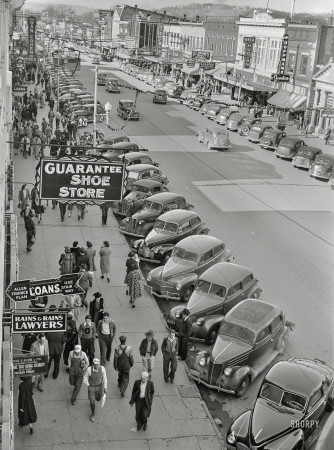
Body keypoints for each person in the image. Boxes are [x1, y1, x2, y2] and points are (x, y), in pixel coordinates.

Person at [83, 358, 108, 422]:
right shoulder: (89, 369)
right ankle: (93, 413)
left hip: (99, 386)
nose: (96, 366)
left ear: (99, 365)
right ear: (92, 364)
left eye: (97, 364)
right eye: (95, 364)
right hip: (91, 386)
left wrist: (105, 387)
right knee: (92, 401)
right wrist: (88, 384)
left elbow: (105, 378)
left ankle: (96, 398)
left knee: (98, 398)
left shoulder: (102, 369)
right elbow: (85, 377)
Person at [46, 310, 66, 379]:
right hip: (58, 349)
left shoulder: (49, 331)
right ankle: (55, 375)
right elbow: (63, 341)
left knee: (48, 362)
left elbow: (46, 340)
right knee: (56, 363)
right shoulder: (61, 332)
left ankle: (46, 373)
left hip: (50, 348)